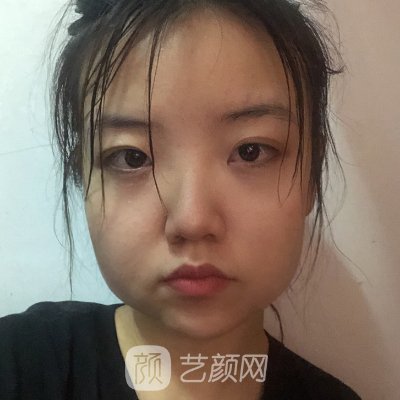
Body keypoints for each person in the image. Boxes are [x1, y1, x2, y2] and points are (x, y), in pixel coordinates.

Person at [0, 0, 361, 399]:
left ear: (312, 177)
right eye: (131, 157)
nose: (192, 220)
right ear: (80, 176)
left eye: (251, 151)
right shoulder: (19, 363)